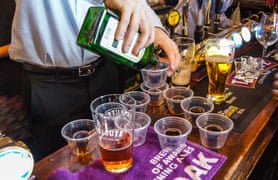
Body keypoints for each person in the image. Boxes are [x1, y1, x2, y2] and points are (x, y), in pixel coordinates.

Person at [9, 0, 180, 161]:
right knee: (61, 165)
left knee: (116, 150)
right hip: (50, 86)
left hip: (103, 72)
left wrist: (154, 29)